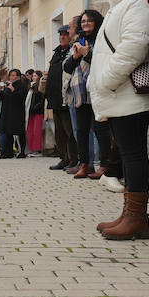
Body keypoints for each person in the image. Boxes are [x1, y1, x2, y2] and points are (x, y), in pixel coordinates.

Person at [90, 0, 149, 240]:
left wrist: (105, 81)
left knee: (134, 155)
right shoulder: (126, 0)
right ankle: (130, 214)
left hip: (128, 92)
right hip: (119, 93)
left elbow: (135, 45)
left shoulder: (139, 1)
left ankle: (137, 219)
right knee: (129, 154)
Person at [64, 14, 100, 176]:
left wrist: (87, 53)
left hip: (96, 89)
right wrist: (77, 55)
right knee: (82, 130)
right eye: (83, 21)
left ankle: (101, 164)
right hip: (79, 92)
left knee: (99, 130)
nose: (85, 24)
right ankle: (84, 164)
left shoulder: (100, 39)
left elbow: (101, 62)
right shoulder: (78, 42)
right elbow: (68, 67)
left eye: (89, 21)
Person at [46, 27, 76, 170]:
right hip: (55, 98)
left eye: (65, 35)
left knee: (69, 130)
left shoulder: (71, 51)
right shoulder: (57, 53)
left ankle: (73, 159)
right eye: (61, 35)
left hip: (66, 97)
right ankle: (63, 158)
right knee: (59, 132)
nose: (62, 37)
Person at [0, 68, 27, 159]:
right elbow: (1, 98)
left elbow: (21, 97)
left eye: (14, 75)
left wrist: (13, 90)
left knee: (20, 132)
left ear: (18, 76)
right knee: (7, 132)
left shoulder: (21, 85)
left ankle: (22, 152)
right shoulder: (8, 85)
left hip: (17, 112)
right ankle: (8, 152)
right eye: (11, 75)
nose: (12, 77)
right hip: (7, 112)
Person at [26, 72, 46, 156]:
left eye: (35, 76)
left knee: (36, 131)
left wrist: (35, 107)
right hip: (30, 112)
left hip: (38, 112)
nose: (33, 77)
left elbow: (42, 99)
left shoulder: (40, 86)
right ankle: (32, 148)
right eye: (33, 76)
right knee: (30, 131)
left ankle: (37, 149)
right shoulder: (31, 86)